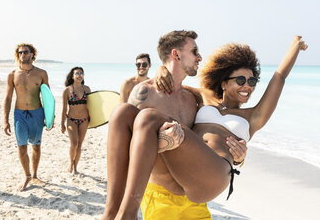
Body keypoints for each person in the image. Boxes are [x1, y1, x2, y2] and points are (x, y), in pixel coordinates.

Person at [109, 35, 308, 219]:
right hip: (186, 173)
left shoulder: (253, 116)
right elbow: (176, 80)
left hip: (216, 172)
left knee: (149, 117)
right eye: (240, 80)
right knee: (123, 113)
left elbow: (279, 77)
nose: (247, 86)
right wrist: (161, 70)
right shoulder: (204, 98)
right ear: (223, 83)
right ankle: (111, 213)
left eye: (252, 81)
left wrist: (295, 47)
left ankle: (127, 215)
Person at [102, 30, 247, 220]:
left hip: (192, 196)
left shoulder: (194, 100)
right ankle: (114, 214)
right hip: (160, 196)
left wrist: (238, 158)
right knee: (122, 112)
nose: (199, 57)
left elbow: (209, 141)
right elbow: (125, 149)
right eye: (194, 51)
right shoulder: (145, 92)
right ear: (176, 54)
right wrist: (158, 145)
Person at [3, 43, 50, 191]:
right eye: (20, 52)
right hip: (20, 114)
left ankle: (35, 175)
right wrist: (5, 120)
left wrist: (50, 117)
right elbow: (8, 98)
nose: (22, 54)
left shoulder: (42, 73)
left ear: (32, 54)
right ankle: (27, 175)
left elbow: (48, 97)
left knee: (36, 146)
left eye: (25, 52)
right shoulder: (12, 74)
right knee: (22, 147)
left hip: (37, 113)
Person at [61, 67, 91, 175]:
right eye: (77, 73)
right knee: (73, 144)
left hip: (84, 120)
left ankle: (75, 167)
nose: (79, 75)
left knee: (79, 144)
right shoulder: (67, 90)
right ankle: (70, 162)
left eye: (81, 73)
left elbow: (91, 106)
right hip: (71, 120)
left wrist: (94, 120)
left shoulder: (87, 89)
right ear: (72, 76)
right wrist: (62, 124)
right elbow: (64, 108)